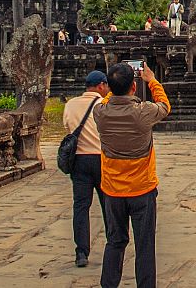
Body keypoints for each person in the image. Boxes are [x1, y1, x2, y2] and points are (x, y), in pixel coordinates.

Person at [94, 61, 171, 288]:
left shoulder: (100, 112)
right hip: (142, 189)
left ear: (108, 86)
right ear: (134, 87)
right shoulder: (142, 112)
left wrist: (111, 92)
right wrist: (152, 80)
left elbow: (107, 100)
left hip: (112, 191)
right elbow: (165, 106)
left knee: (115, 242)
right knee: (145, 245)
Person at [63, 71, 110, 268]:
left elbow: (67, 127)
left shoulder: (70, 104)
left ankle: (81, 252)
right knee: (108, 204)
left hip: (79, 161)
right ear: (100, 85)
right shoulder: (104, 104)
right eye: (105, 85)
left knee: (81, 206)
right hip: (102, 159)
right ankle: (114, 243)